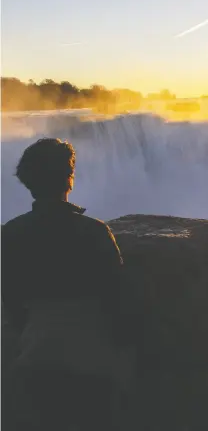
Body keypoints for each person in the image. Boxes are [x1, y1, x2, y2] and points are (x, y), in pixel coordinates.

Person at [2, 138, 132, 430]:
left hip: (33, 357)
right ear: (68, 179)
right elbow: (118, 298)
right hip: (92, 360)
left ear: (27, 182)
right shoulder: (94, 232)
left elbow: (10, 299)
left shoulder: (11, 234)